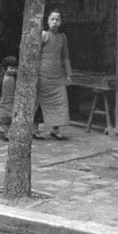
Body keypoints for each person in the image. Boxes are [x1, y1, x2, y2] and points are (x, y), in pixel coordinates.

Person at [35, 9, 72, 140]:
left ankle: (55, 130)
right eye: (52, 19)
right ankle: (35, 130)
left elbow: (65, 57)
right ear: (47, 20)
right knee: (38, 103)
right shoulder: (43, 35)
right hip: (42, 75)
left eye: (58, 19)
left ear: (61, 22)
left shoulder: (62, 37)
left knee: (60, 102)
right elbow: (35, 55)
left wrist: (68, 75)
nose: (55, 22)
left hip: (57, 77)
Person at [0, 56, 18, 142]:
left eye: (15, 68)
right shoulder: (0, 77)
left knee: (10, 118)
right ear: (5, 68)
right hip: (4, 101)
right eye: (11, 68)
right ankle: (1, 133)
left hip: (13, 101)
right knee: (3, 118)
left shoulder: (16, 77)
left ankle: (7, 133)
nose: (13, 70)